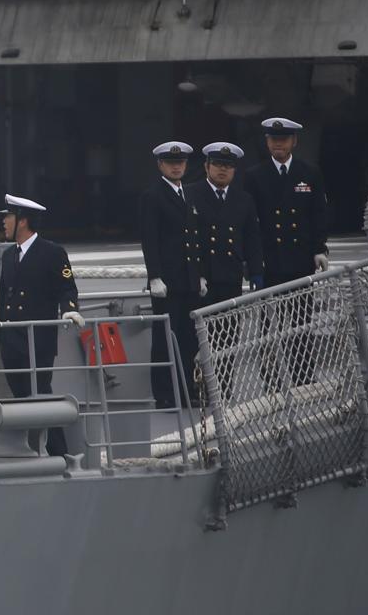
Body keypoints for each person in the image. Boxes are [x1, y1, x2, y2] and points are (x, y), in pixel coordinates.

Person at [0, 194, 83, 457]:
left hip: (37, 342)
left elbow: (67, 288)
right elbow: (4, 299)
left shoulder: (52, 253)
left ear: (23, 221)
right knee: (20, 397)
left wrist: (69, 312)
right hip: (12, 341)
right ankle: (28, 451)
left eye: (7, 217)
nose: (4, 223)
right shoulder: (10, 255)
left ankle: (59, 452)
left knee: (41, 396)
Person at [140, 140, 205, 409]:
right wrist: (154, 276)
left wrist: (199, 275)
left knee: (189, 339)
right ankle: (165, 394)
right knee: (165, 338)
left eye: (180, 163)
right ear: (160, 165)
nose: (176, 167)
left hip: (188, 279)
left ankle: (187, 389)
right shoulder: (153, 196)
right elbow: (150, 239)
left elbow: (194, 238)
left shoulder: (188, 194)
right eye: (171, 163)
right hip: (166, 282)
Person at [248, 116, 330, 285]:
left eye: (283, 139)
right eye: (274, 139)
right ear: (267, 141)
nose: (278, 144)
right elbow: (249, 222)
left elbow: (318, 214)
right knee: (270, 310)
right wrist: (252, 259)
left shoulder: (310, 172)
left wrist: (320, 250)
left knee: (301, 309)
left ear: (294, 141)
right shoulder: (254, 176)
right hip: (269, 258)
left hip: (302, 257)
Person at [187, 143, 264, 306]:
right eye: (217, 164)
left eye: (228, 165)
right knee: (200, 328)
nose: (223, 169)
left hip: (230, 275)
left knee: (229, 326)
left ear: (235, 170)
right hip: (202, 276)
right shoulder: (190, 194)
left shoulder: (244, 200)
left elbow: (252, 239)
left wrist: (256, 271)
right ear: (206, 167)